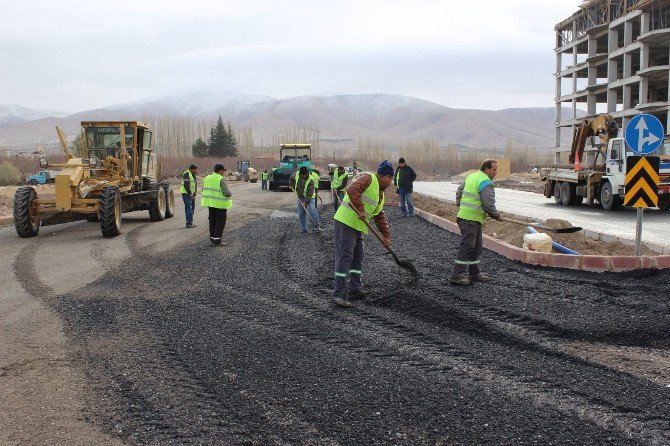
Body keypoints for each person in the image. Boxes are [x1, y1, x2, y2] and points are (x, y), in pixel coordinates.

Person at [331, 160, 394, 308]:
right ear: (384, 176)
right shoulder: (368, 178)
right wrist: (360, 209)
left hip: (358, 226)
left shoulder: (380, 193)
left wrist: (386, 235)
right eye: (390, 178)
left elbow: (379, 215)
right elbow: (351, 189)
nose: (391, 182)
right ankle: (338, 294)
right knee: (345, 256)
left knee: (357, 257)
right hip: (346, 222)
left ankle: (355, 288)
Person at [450, 159, 503, 285]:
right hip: (470, 219)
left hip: (471, 218)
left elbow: (459, 191)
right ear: (487, 169)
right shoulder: (486, 182)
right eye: (494, 169)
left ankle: (474, 273)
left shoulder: (472, 176)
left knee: (476, 246)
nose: (496, 172)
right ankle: (457, 275)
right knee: (467, 246)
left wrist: (460, 205)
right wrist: (497, 215)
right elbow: (488, 205)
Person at [201, 164, 233, 246]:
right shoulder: (221, 179)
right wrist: (230, 193)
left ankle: (212, 238)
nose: (224, 173)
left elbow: (204, 189)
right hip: (220, 205)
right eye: (223, 171)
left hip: (210, 204)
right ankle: (217, 241)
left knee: (212, 221)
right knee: (220, 223)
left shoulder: (207, 178)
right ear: (220, 171)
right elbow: (226, 193)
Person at [289, 166, 321, 233]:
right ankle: (304, 230)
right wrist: (291, 184)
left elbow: (309, 193)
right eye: (302, 175)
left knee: (312, 210)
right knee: (301, 213)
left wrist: (305, 202)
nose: (303, 176)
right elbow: (291, 178)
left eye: (304, 174)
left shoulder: (311, 180)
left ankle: (317, 227)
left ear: (307, 173)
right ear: (300, 173)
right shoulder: (296, 174)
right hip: (300, 196)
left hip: (310, 197)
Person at [180, 164, 198, 228]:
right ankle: (189, 223)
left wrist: (194, 193)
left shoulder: (192, 175)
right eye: (195, 169)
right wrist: (190, 193)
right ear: (192, 169)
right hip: (186, 194)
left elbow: (194, 184)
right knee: (189, 209)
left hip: (191, 194)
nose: (196, 171)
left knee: (192, 208)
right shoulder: (187, 174)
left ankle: (190, 222)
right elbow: (186, 185)